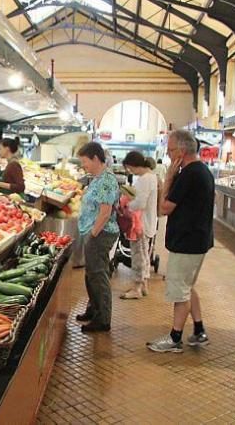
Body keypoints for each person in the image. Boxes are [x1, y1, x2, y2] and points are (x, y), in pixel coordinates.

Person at [147, 130, 214, 353]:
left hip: (186, 242)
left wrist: (167, 179)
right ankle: (199, 330)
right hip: (199, 240)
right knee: (187, 286)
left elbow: (163, 208)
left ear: (181, 151)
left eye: (170, 151)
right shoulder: (203, 170)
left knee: (180, 293)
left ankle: (175, 338)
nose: (168, 155)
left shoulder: (188, 174)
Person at [76, 142, 120, 332]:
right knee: (91, 274)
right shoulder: (98, 177)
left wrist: (93, 234)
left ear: (95, 158)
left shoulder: (107, 180)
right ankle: (93, 309)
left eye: (85, 162)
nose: (83, 166)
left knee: (98, 274)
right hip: (93, 232)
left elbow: (105, 212)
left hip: (100, 233)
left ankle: (103, 319)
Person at [120, 151, 158, 300]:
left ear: (133, 165)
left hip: (139, 224)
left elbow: (140, 203)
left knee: (138, 256)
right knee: (144, 255)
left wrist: (127, 205)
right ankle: (144, 285)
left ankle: (136, 288)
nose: (129, 171)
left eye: (129, 168)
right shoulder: (152, 177)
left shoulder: (144, 179)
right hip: (147, 223)